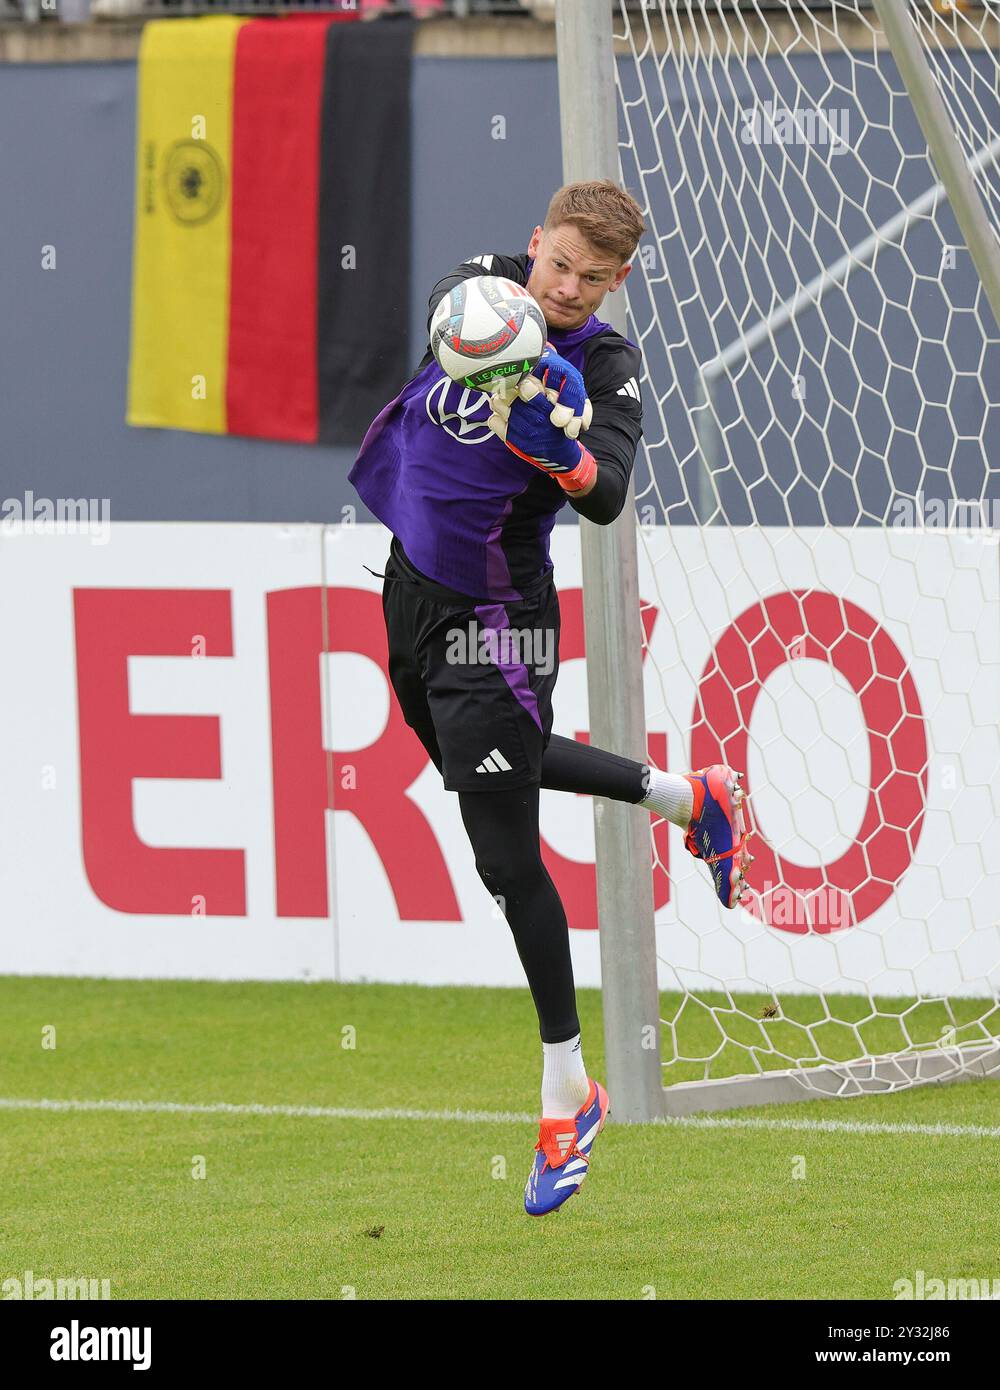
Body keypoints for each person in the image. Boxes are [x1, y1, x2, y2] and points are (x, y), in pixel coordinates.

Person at [349, 180, 751, 1216]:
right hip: (410, 589)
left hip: (497, 615)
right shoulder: (486, 290)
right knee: (491, 770)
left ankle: (567, 1088)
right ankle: (688, 799)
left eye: (590, 277)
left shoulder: (609, 367)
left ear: (621, 280)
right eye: (556, 263)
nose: (566, 288)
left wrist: (562, 451)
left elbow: (608, 493)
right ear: (534, 242)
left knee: (502, 852)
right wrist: (523, 357)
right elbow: (465, 313)